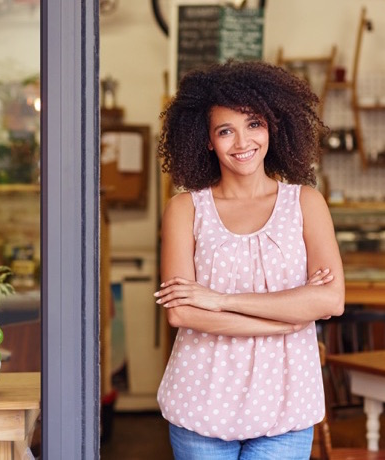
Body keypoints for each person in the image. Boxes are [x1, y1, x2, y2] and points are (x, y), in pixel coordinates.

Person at [153, 60, 345, 460]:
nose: (243, 142)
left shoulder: (306, 203)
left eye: (254, 124)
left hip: (286, 404)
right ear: (206, 140)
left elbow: (330, 301)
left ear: (273, 127)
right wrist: (286, 318)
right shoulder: (184, 209)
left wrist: (219, 299)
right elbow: (182, 314)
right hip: (200, 403)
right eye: (226, 130)